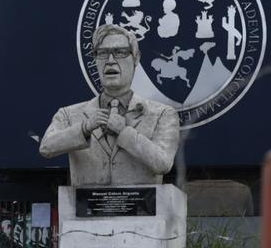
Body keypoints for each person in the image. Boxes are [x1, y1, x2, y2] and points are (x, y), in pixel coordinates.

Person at [39, 24, 180, 185]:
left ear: (136, 58)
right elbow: (46, 147)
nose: (110, 61)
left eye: (119, 52)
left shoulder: (162, 114)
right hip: (88, 201)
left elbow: (163, 163)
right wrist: (84, 128)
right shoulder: (69, 114)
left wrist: (124, 132)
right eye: (102, 53)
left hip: (141, 201)